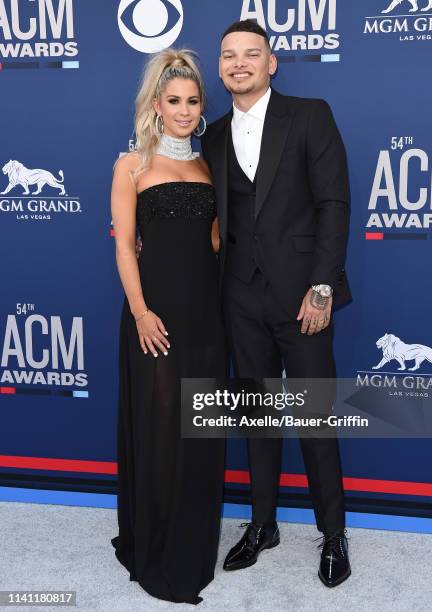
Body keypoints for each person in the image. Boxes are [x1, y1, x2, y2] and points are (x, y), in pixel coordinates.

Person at [200, 20, 352, 588]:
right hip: (238, 296)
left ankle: (333, 533)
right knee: (256, 420)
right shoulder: (211, 135)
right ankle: (263, 524)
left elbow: (334, 204)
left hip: (302, 296)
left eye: (251, 54)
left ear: (272, 62)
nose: (239, 63)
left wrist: (322, 287)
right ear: (220, 68)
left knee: (314, 418)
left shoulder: (310, 114)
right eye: (229, 56)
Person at [110, 48, 227, 605]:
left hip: (206, 319)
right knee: (160, 432)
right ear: (156, 105)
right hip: (154, 318)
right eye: (174, 100)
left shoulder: (208, 167)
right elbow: (125, 249)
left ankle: (191, 546)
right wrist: (140, 312)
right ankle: (155, 549)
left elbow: (213, 246)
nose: (184, 110)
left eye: (193, 101)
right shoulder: (130, 165)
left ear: (203, 106)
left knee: (199, 434)